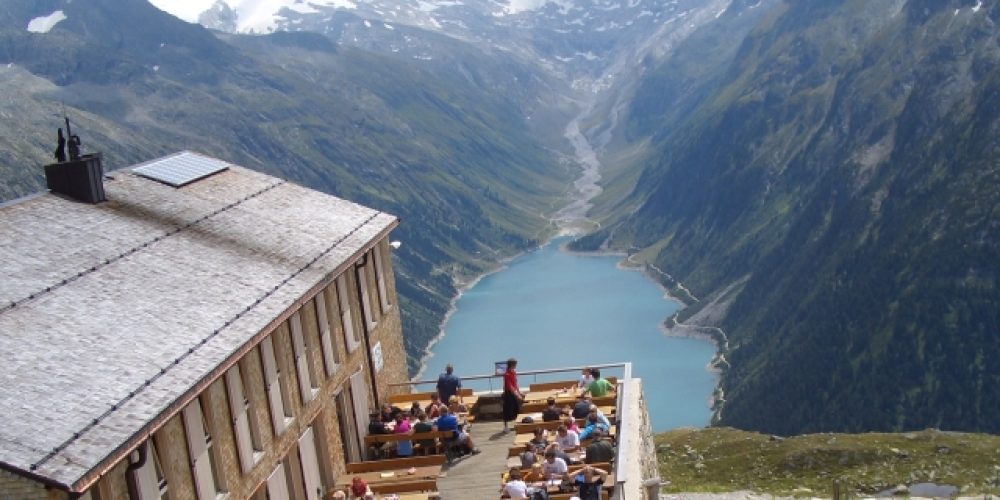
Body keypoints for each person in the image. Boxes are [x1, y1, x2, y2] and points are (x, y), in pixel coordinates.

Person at [502, 358, 524, 433]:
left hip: (514, 393)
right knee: (507, 410)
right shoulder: (507, 374)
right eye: (515, 364)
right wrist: (517, 395)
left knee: (516, 409)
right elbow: (510, 386)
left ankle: (516, 424)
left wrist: (519, 392)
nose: (516, 366)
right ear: (512, 364)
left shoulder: (514, 372)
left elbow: (515, 384)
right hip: (508, 394)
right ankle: (505, 427)